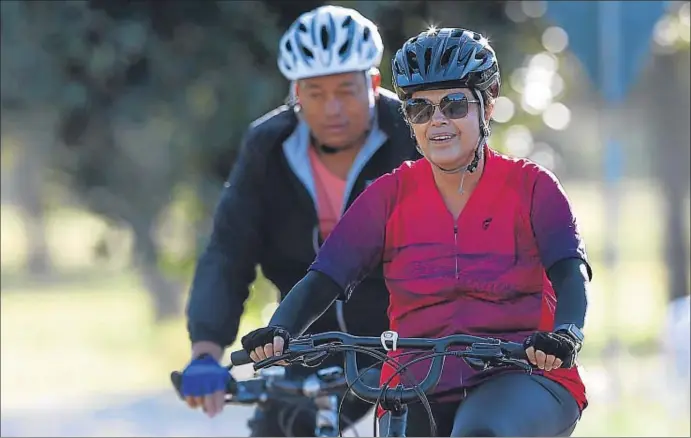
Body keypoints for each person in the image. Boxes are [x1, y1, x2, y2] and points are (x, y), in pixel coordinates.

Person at [239, 27, 593, 437]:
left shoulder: (533, 186)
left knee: (480, 432)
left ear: (489, 101)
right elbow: (326, 276)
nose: (437, 122)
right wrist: (281, 329)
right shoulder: (389, 195)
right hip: (415, 380)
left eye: (454, 104)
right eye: (420, 110)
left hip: (521, 372)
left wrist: (565, 334)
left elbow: (570, 273)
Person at [177, 5, 420, 436]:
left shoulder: (414, 135)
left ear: (374, 83)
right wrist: (205, 351)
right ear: (295, 91)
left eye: (346, 90)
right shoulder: (267, 146)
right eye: (315, 92)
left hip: (410, 339)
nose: (332, 109)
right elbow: (229, 251)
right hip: (307, 339)